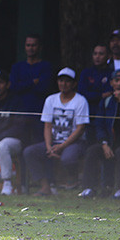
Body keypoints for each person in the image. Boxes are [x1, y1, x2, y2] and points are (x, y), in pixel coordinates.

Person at [23, 68, 89, 196]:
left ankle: (72, 182)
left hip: (74, 143)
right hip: (54, 141)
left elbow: (80, 129)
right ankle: (45, 187)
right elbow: (47, 125)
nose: (63, 84)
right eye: (61, 80)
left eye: (67, 81)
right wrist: (49, 147)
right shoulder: (51, 100)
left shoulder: (81, 101)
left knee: (68, 157)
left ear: (74, 84)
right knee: (29, 152)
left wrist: (62, 146)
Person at [78, 69, 120, 199]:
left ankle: (119, 189)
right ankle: (89, 188)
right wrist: (104, 143)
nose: (119, 83)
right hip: (108, 142)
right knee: (92, 150)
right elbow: (100, 124)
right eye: (117, 80)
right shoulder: (106, 101)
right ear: (111, 83)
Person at [10, 34, 54, 141]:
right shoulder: (17, 67)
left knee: (38, 142)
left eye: (34, 45)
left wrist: (24, 85)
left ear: (39, 47)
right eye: (28, 45)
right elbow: (14, 88)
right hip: (21, 112)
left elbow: (43, 88)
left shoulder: (46, 66)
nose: (31, 48)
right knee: (20, 143)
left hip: (39, 112)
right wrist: (32, 82)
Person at [78, 44, 113, 113]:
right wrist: (101, 95)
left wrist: (93, 94)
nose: (97, 57)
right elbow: (82, 93)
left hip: (105, 111)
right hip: (87, 110)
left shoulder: (111, 74)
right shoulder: (86, 73)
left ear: (108, 56)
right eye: (95, 54)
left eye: (101, 54)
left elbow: (109, 93)